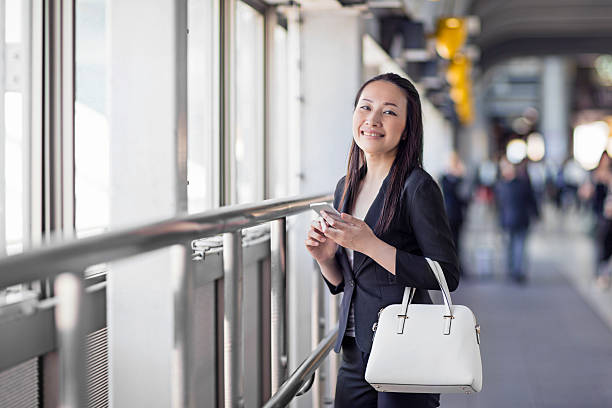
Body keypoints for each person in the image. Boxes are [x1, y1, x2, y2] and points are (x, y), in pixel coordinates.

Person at [304, 73, 460, 408]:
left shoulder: (417, 186)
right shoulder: (346, 185)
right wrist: (325, 256)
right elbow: (349, 281)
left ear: (407, 128)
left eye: (389, 112)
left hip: (405, 344)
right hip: (354, 348)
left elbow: (446, 274)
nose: (373, 119)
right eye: (365, 107)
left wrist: (369, 243)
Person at [494, 157, 539, 284]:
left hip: (508, 220)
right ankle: (517, 271)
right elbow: (532, 201)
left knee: (511, 246)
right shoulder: (523, 184)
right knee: (518, 246)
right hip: (521, 219)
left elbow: (498, 206)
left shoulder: (501, 186)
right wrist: (536, 214)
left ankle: (512, 269)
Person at [440, 152, 469, 265]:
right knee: (449, 241)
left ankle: (458, 263)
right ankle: (452, 263)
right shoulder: (445, 178)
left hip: (458, 214)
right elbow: (449, 191)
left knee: (458, 241)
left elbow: (464, 197)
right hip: (447, 213)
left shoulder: (460, 179)